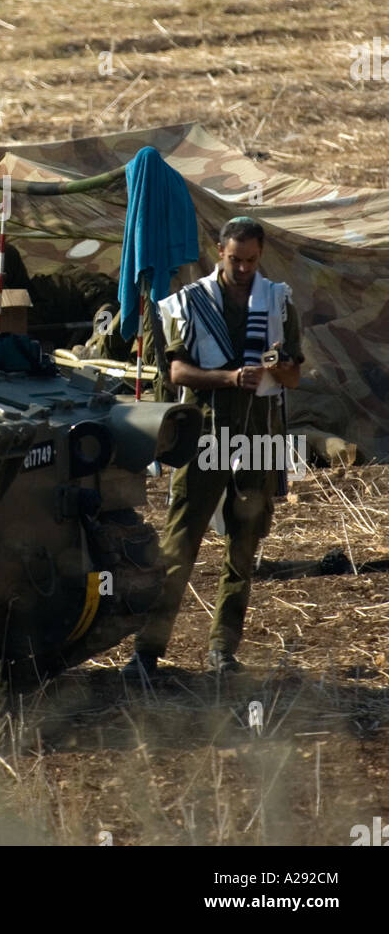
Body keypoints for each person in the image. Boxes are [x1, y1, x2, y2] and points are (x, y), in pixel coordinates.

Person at [122, 216, 304, 679]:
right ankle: (147, 651)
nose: (243, 269)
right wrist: (228, 377)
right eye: (235, 259)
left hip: (258, 437)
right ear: (219, 251)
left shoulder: (278, 302)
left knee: (243, 550)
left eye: (251, 260)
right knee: (180, 544)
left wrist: (279, 367)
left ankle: (223, 649)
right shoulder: (190, 303)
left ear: (260, 256)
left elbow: (294, 376)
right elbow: (178, 372)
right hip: (204, 436)